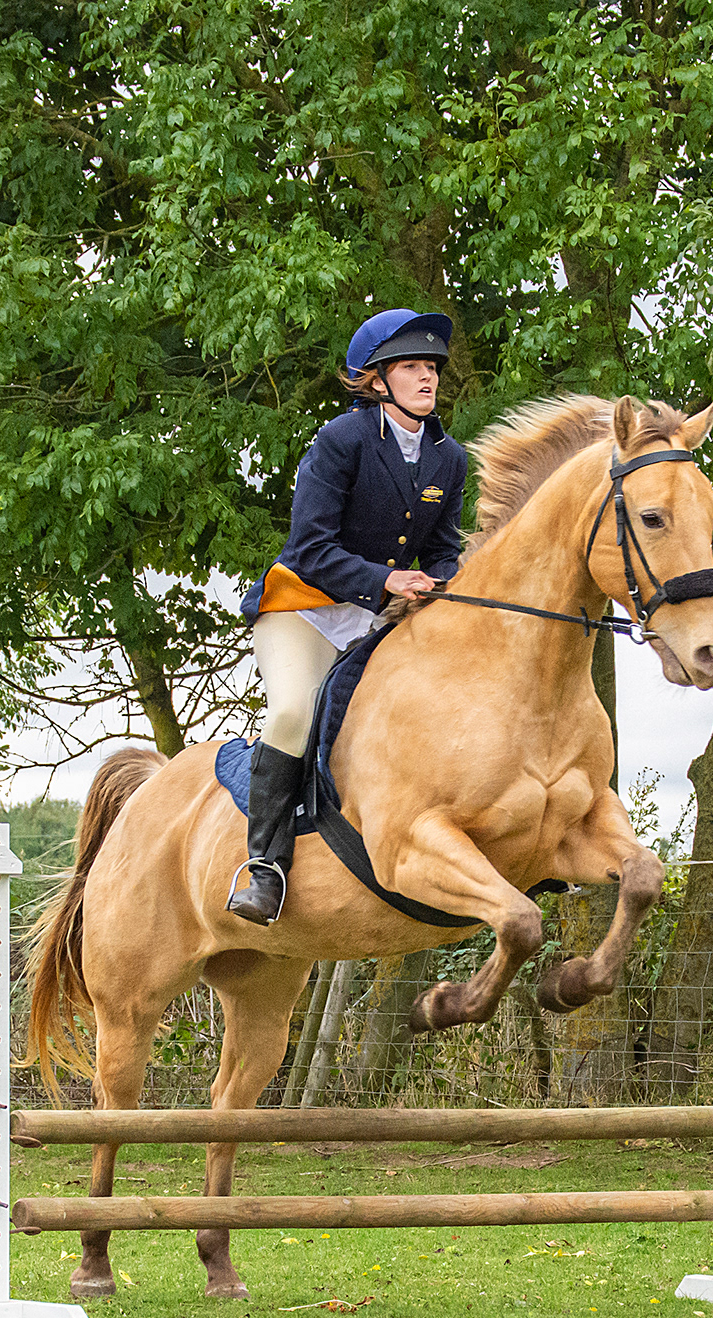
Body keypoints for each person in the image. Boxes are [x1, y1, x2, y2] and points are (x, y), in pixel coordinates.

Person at [227, 308, 469, 924]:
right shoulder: (341, 441)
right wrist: (386, 578)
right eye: (411, 366)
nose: (427, 377)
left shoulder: (449, 459)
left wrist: (439, 582)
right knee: (291, 711)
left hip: (378, 616)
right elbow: (308, 549)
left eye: (431, 367)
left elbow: (442, 548)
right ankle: (265, 870)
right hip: (304, 610)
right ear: (377, 380)